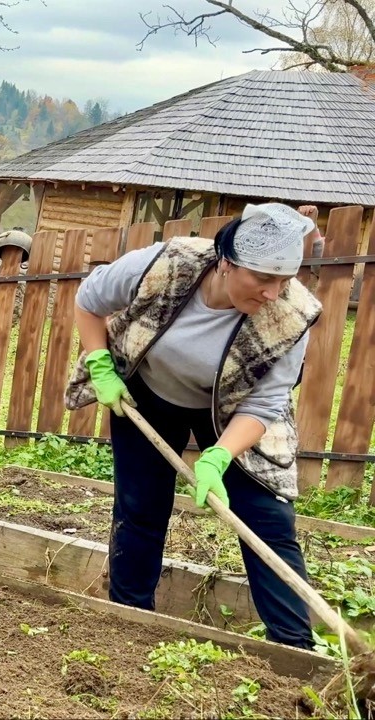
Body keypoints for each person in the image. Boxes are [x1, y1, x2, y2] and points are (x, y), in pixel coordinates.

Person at [65, 202, 321, 650]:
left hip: (233, 410)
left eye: (284, 280)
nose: (273, 293)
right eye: (262, 278)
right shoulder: (167, 264)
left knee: (266, 519)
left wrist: (219, 455)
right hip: (149, 391)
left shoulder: (293, 315)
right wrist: (99, 361)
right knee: (140, 507)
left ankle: (294, 651)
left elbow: (264, 402)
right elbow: (89, 299)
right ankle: (129, 622)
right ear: (226, 261)